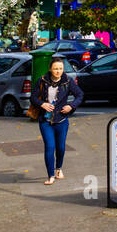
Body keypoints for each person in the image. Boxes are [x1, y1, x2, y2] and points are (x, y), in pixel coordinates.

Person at [31, 57, 83, 185]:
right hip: (45, 120)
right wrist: (42, 104)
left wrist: (71, 106)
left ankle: (58, 168)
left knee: (60, 147)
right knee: (49, 147)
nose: (58, 71)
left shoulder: (68, 81)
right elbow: (33, 97)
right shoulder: (42, 80)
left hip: (62, 120)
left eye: (60, 68)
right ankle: (51, 176)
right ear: (50, 69)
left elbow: (80, 95)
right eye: (55, 68)